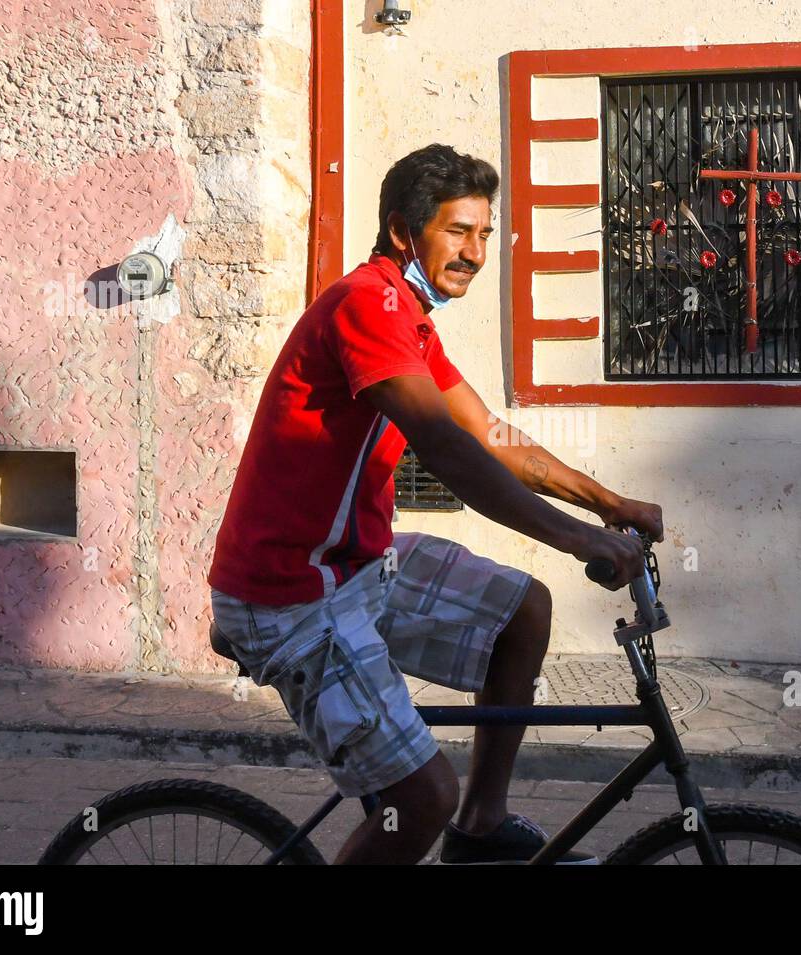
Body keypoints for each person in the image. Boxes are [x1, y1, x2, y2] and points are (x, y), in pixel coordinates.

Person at [208, 143, 661, 864]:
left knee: (524, 610)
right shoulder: (366, 304)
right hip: (290, 596)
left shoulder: (408, 319)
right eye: (458, 231)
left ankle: (481, 827)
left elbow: (489, 434)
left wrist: (608, 503)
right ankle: (447, 813)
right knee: (420, 799)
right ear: (402, 231)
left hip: (358, 570)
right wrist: (579, 538)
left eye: (485, 234)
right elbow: (448, 449)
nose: (476, 252)